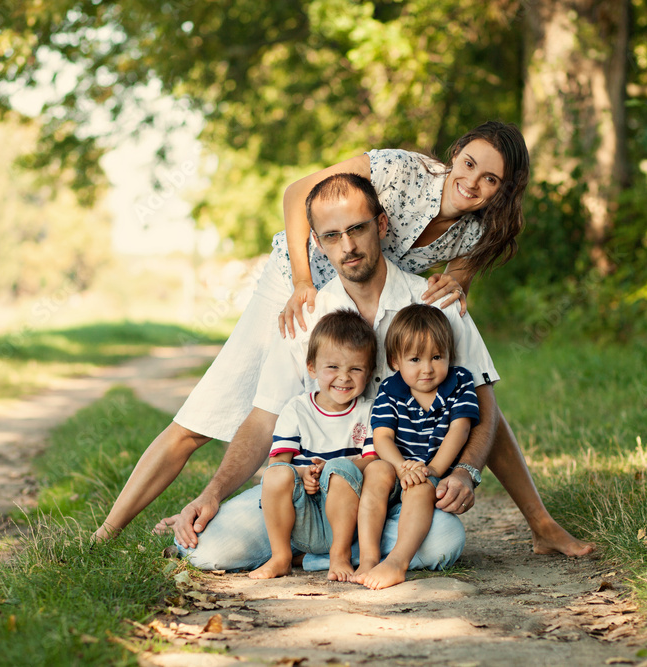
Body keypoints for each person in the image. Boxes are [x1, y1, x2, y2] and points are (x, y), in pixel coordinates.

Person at [94, 121, 531, 543]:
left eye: (490, 178)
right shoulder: (401, 171)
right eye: (469, 163)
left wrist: (465, 470)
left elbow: (453, 296)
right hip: (298, 288)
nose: (473, 181)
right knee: (206, 418)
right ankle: (107, 532)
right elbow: (299, 192)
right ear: (456, 154)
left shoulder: (477, 230)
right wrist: (303, 281)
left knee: (463, 383)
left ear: (503, 189)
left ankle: (540, 524)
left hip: (365, 294)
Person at [169, 173, 591, 574]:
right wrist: (213, 493)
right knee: (208, 551)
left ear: (382, 225)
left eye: (357, 229)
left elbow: (481, 404)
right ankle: (320, 546)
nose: (347, 246)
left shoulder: (435, 302)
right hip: (310, 493)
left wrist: (465, 471)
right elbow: (263, 419)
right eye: (332, 236)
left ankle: (326, 552)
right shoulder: (307, 315)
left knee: (443, 540)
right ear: (317, 243)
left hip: (396, 490)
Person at [353, 304, 479, 589]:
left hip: (430, 470)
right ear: (396, 361)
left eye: (437, 357)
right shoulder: (390, 389)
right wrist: (400, 466)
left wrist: (432, 468)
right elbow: (382, 436)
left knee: (420, 485)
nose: (427, 368)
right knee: (376, 472)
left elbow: (460, 429)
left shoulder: (459, 383)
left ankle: (397, 561)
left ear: (449, 355)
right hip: (397, 467)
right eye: (415, 359)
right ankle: (369, 558)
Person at [248, 310, 378, 581]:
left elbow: (373, 461)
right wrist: (302, 472)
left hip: (348, 518)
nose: (343, 378)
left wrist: (334, 468)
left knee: (341, 468)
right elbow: (278, 465)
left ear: (370, 372)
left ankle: (339, 555)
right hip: (302, 517)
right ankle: (281, 556)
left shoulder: (369, 412)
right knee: (275, 475)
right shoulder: (297, 409)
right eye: (332, 367)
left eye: (355, 369)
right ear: (312, 367)